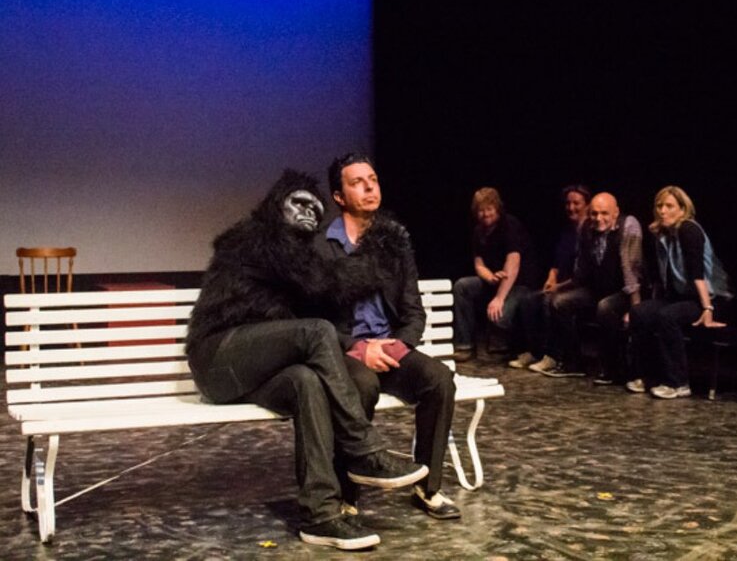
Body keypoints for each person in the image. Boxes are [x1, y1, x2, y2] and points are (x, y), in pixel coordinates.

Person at [186, 170, 428, 551]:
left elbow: (329, 293)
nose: (307, 214)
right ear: (275, 205)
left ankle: (321, 516)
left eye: (315, 210)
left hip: (255, 364)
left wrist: (380, 248)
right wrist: (381, 244)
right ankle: (364, 450)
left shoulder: (295, 256)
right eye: (298, 203)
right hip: (218, 358)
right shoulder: (255, 236)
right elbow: (331, 285)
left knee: (306, 381)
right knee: (315, 331)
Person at [316, 152, 461, 520]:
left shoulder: (395, 240)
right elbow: (312, 322)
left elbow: (413, 311)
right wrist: (358, 348)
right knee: (361, 386)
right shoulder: (321, 246)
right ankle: (346, 494)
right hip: (346, 351)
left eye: (373, 180)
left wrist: (396, 346)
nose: (369, 187)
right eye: (357, 182)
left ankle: (427, 487)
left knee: (438, 378)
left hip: (390, 348)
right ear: (338, 196)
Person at [626, 185, 732, 399]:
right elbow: (662, 275)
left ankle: (678, 383)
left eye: (669, 206)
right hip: (680, 297)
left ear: (682, 209)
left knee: (668, 316)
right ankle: (647, 376)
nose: (662, 211)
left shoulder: (689, 229)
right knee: (640, 312)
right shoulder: (663, 234)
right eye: (659, 206)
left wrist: (708, 308)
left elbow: (697, 273)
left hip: (710, 297)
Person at [539, 192, 643, 382]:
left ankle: (612, 369)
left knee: (605, 306)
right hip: (597, 286)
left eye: (604, 213)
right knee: (559, 302)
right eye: (594, 214)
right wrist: (561, 287)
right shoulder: (586, 227)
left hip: (624, 290)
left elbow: (631, 269)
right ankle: (573, 363)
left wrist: (634, 307)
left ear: (615, 212)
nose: (598, 218)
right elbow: (582, 270)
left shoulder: (628, 226)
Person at [508, 184, 591, 375]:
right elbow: (557, 261)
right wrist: (551, 277)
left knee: (550, 302)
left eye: (576, 203)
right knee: (528, 300)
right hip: (562, 283)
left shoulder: (588, 232)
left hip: (578, 286)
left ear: (586, 205)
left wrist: (558, 287)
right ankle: (535, 352)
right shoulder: (567, 232)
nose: (571, 207)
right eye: (568, 203)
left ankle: (554, 356)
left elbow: (582, 274)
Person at [452, 187, 539, 362]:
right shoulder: (478, 231)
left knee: (501, 315)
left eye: (489, 209)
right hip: (496, 281)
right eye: (481, 210)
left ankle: (514, 346)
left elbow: (513, 264)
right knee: (462, 286)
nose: (485, 214)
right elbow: (479, 264)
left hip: (519, 284)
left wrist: (499, 298)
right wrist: (490, 277)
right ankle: (465, 345)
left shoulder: (510, 225)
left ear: (497, 208)